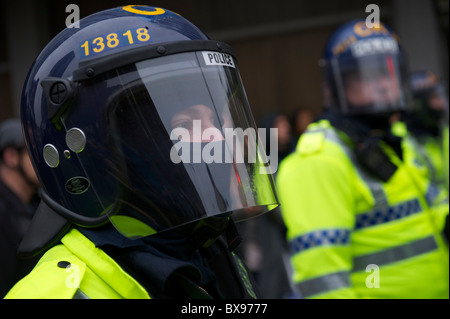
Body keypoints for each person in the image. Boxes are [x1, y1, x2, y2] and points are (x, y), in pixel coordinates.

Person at [5, 5, 279, 299]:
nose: (216, 136)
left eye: (213, 119)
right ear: (100, 154)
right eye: (184, 124)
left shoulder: (211, 252)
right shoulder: (55, 293)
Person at [277, 19, 449, 298]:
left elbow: (432, 207)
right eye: (366, 76)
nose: (383, 85)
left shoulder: (395, 138)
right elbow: (325, 283)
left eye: (388, 73)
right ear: (335, 86)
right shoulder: (319, 160)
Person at [236, 111, 297, 298]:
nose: (285, 129)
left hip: (280, 241)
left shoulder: (288, 159)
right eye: (280, 125)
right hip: (255, 239)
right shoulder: (249, 164)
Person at [0, 118, 40, 297]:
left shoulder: (39, 205)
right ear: (11, 157)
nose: (43, 158)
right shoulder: (3, 217)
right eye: (33, 150)